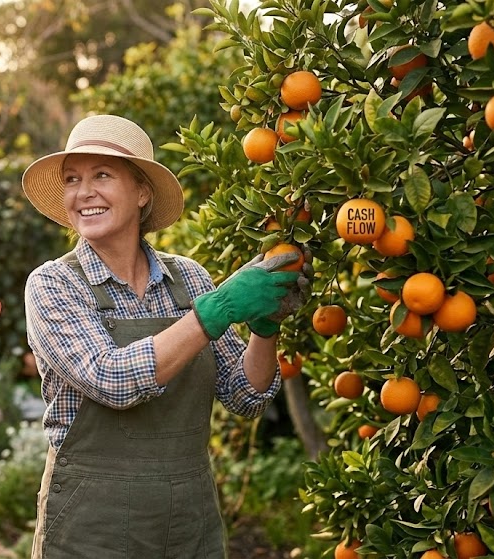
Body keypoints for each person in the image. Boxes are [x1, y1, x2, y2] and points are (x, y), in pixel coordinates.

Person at [22, 114, 309, 558]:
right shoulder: (54, 285)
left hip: (188, 525)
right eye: (72, 179)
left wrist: (265, 327)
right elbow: (111, 380)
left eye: (102, 174)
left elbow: (246, 395)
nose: (84, 192)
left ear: (142, 193)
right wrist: (215, 313)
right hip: (91, 529)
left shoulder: (189, 279)